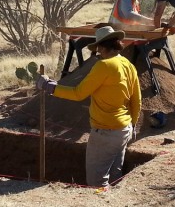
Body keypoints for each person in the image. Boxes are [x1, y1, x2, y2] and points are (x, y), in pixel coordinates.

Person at [36, 26, 141, 190]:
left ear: (101, 47)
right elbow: (136, 101)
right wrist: (133, 124)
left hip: (105, 132)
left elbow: (78, 93)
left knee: (96, 182)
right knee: (115, 177)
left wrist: (50, 87)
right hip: (124, 130)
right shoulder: (128, 65)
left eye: (98, 49)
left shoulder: (104, 66)